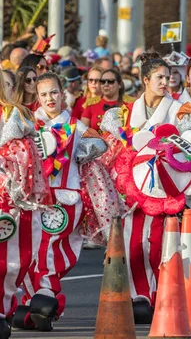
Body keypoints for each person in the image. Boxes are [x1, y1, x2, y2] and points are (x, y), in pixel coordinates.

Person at [99, 51, 191, 324]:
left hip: (167, 186)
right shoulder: (125, 113)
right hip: (134, 187)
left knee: (161, 242)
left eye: (168, 77)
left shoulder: (180, 110)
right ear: (145, 79)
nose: (165, 82)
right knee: (133, 243)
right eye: (159, 77)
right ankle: (139, 295)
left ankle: (164, 293)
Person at [21, 72, 115, 331]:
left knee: (51, 249)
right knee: (30, 252)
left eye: (54, 92)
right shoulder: (29, 125)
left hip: (65, 199)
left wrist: (85, 150)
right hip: (33, 200)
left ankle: (45, 295)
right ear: (37, 98)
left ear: (62, 94)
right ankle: (37, 300)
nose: (49, 98)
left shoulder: (77, 126)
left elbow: (99, 148)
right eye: (44, 94)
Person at [0, 72, 52, 338]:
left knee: (12, 261)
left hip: (9, 198)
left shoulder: (15, 115)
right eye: (7, 84)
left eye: (11, 84)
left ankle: (3, 310)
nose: (11, 89)